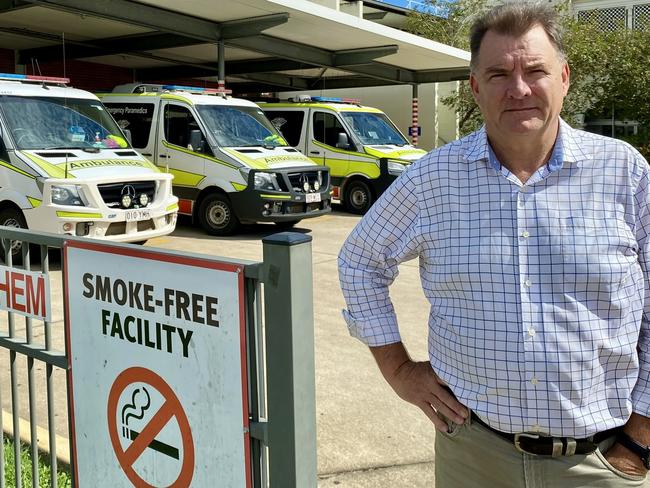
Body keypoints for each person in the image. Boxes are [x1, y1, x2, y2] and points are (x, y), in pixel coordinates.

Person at [338, 2, 650, 486]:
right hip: (474, 454)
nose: (519, 88)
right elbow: (360, 261)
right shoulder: (431, 179)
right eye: (499, 73)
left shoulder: (624, 172)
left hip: (603, 460)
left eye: (536, 70)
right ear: (476, 87)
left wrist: (641, 438)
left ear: (565, 78)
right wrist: (399, 370)